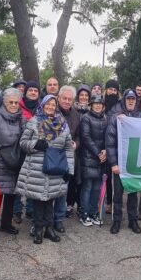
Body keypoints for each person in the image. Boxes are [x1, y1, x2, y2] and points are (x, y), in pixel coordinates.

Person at [16, 95, 74, 244]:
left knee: (50, 200)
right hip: (36, 167)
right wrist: (35, 144)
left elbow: (68, 148)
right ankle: (38, 228)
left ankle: (49, 228)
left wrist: (70, 169)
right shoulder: (34, 121)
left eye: (53, 105)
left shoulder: (62, 124)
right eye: (47, 104)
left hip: (56, 166)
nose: (50, 107)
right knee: (38, 201)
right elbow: (23, 142)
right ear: (42, 105)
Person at [0, 88, 26, 242]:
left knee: (11, 195)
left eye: (16, 102)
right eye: (11, 102)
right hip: (1, 161)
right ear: (5, 102)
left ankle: (6, 224)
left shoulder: (22, 119)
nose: (14, 105)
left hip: (15, 162)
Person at [107, 89, 141, 234]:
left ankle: (133, 220)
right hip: (120, 163)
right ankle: (117, 221)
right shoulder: (116, 118)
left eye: (133, 99)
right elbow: (109, 142)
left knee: (133, 193)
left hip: (134, 163)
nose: (131, 101)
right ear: (124, 100)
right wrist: (114, 163)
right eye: (128, 99)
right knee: (117, 195)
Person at [13, 81, 40, 223]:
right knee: (18, 179)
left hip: (35, 148)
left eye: (36, 90)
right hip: (18, 147)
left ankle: (30, 209)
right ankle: (17, 210)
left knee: (33, 179)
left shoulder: (41, 108)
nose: (33, 92)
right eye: (31, 90)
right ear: (26, 92)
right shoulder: (18, 105)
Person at [79, 95, 107, 226]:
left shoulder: (105, 118)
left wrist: (105, 151)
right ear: (91, 105)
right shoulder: (86, 118)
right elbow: (86, 137)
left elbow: (108, 136)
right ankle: (84, 213)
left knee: (97, 188)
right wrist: (97, 153)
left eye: (100, 104)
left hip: (101, 159)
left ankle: (93, 212)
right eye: (95, 103)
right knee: (87, 187)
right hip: (89, 158)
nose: (97, 105)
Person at [55, 85, 80, 233]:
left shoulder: (76, 115)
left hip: (69, 157)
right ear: (59, 98)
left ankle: (58, 219)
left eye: (69, 99)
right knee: (51, 189)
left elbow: (78, 134)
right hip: (54, 156)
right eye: (64, 98)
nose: (66, 101)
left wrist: (76, 143)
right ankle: (46, 219)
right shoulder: (52, 111)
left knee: (63, 189)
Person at [103, 79, 120, 214]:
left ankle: (111, 202)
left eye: (115, 90)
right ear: (106, 90)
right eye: (110, 89)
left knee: (111, 176)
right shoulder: (100, 103)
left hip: (113, 144)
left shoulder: (120, 107)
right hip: (99, 143)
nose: (112, 92)